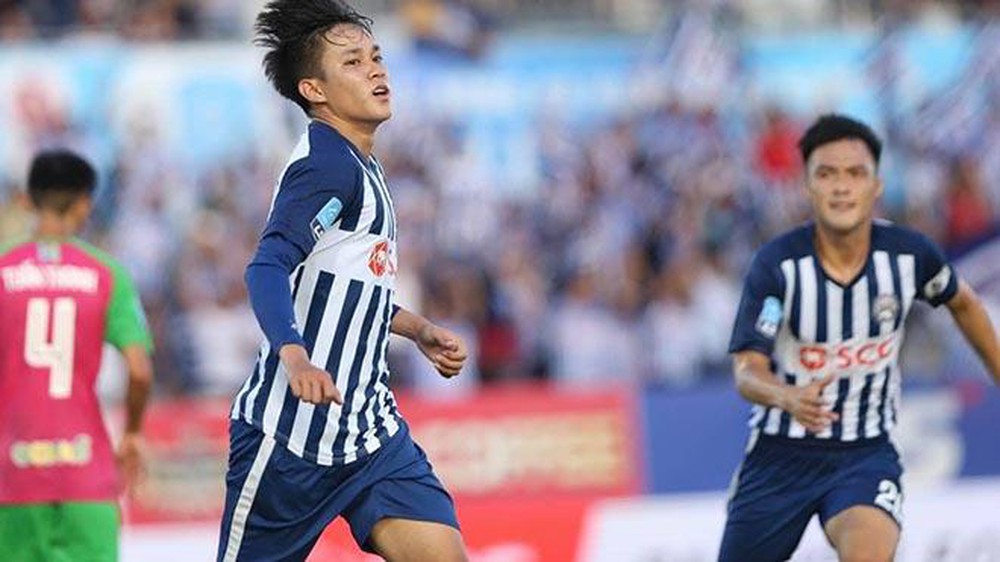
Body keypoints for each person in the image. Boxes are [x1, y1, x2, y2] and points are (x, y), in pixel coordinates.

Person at [216, 1, 469, 561]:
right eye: (353, 63)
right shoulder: (326, 166)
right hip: (291, 439)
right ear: (314, 90)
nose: (375, 70)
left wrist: (417, 329)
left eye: (376, 57)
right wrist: (296, 358)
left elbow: (344, 287)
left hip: (370, 435)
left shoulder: (363, 166)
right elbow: (267, 266)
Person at [721, 114, 1000, 561]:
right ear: (807, 187)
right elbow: (746, 369)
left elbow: (964, 302)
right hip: (779, 458)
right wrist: (786, 395)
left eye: (855, 173)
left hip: (865, 454)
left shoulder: (909, 256)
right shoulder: (778, 267)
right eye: (826, 174)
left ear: (876, 186)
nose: (841, 187)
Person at [0, 149, 155, 562]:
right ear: (85, 204)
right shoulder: (106, 273)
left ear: (29, 200)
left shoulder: (3, 268)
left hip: (12, 477)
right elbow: (139, 370)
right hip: (86, 474)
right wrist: (133, 433)